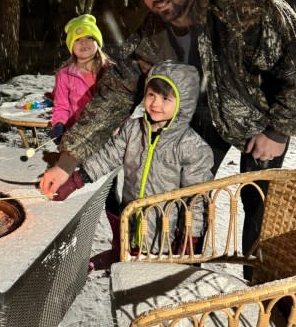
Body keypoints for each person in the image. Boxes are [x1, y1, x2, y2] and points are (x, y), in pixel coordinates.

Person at [40, 0, 296, 267]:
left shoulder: (248, 11)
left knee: (259, 200)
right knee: (184, 190)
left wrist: (278, 131)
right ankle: (186, 257)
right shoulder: (152, 32)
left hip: (258, 119)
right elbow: (115, 95)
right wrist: (67, 162)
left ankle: (260, 277)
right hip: (198, 116)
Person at [53, 61, 213, 258]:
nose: (155, 104)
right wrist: (76, 180)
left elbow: (196, 198)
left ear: (183, 104)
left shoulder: (191, 147)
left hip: (166, 236)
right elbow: (107, 157)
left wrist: (190, 236)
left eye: (165, 98)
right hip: (132, 221)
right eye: (151, 95)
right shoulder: (133, 130)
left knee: (150, 282)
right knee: (129, 259)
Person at [49, 13, 112, 141]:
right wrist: (60, 123)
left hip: (108, 134)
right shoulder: (65, 75)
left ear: (97, 42)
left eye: (89, 37)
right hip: (77, 134)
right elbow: (61, 105)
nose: (83, 42)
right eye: (77, 39)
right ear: (71, 46)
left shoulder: (111, 71)